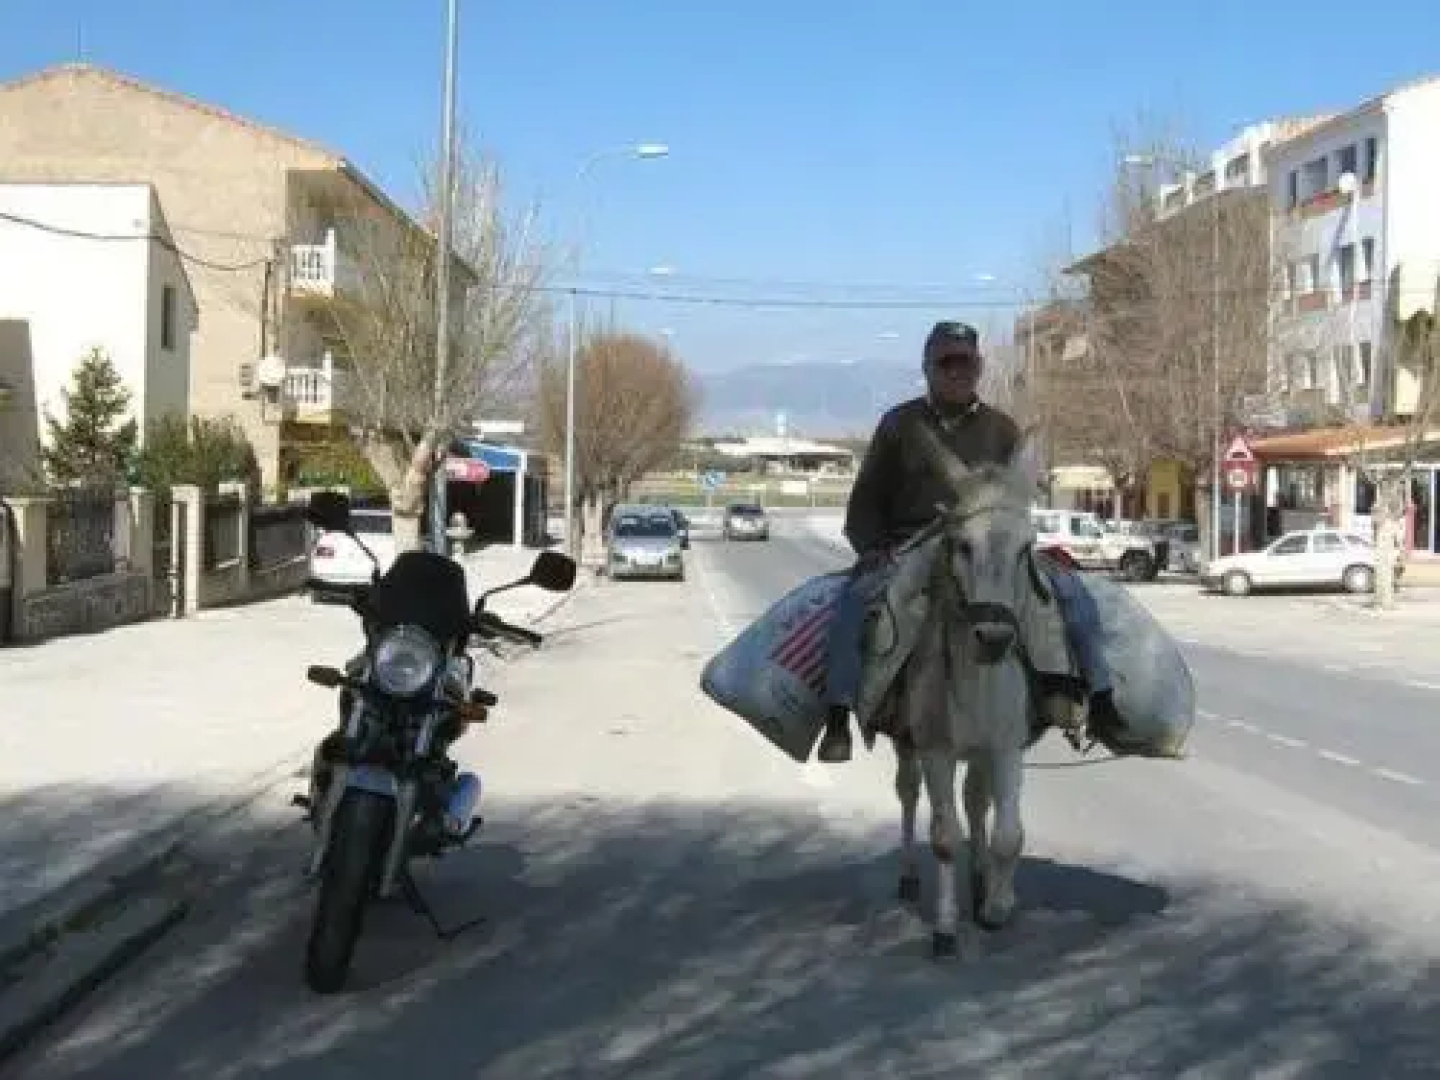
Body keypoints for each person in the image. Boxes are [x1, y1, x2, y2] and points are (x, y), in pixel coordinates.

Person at [816, 320, 1123, 763]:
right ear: (928, 368)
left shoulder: (1002, 430)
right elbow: (864, 505)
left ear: (978, 368)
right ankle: (838, 717)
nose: (958, 372)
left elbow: (1017, 500)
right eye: (947, 363)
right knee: (853, 602)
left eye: (966, 363)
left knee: (1071, 592)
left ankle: (1097, 698)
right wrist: (873, 549)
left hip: (988, 550)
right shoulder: (898, 425)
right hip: (910, 546)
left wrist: (1018, 541)